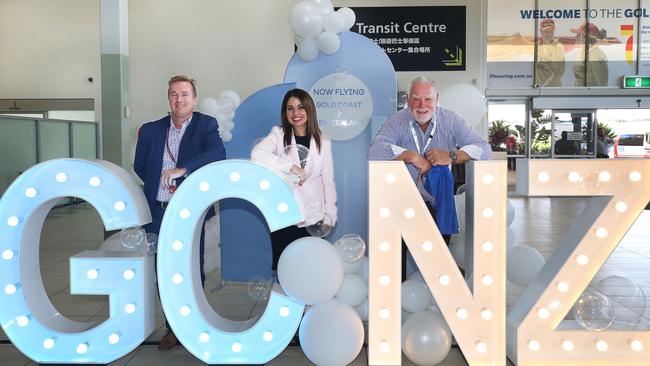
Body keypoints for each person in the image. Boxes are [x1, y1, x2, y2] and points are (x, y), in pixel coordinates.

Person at [134, 75, 226, 351]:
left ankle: (193, 323)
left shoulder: (206, 125)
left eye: (185, 94)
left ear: (194, 99)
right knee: (163, 269)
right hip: (158, 211)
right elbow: (140, 166)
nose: (179, 99)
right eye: (174, 94)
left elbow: (217, 153)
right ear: (168, 98)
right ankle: (172, 327)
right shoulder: (151, 129)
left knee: (190, 267)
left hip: (189, 211)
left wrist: (182, 170)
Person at [368, 76, 491, 278]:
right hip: (402, 202)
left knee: (439, 264)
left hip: (438, 203)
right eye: (416, 99)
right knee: (395, 265)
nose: (422, 105)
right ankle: (397, 304)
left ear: (437, 99)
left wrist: (450, 155)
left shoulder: (451, 120)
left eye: (428, 99)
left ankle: (439, 306)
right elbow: (374, 151)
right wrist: (412, 156)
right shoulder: (397, 121)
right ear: (408, 100)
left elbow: (484, 149)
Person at [251, 88, 337, 279]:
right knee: (285, 268)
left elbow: (328, 180)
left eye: (300, 107)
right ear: (285, 113)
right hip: (285, 213)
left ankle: (309, 309)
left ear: (309, 109)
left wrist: (330, 215)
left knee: (309, 269)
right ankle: (288, 308)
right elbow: (257, 154)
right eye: (290, 109)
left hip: (313, 216)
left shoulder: (323, 140)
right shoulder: (279, 134)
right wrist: (290, 166)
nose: (295, 113)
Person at [535, 19, 566, 87]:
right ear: (541, 31)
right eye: (546, 31)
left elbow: (559, 72)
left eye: (551, 31)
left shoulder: (558, 47)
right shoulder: (537, 45)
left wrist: (545, 87)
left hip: (552, 89)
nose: (549, 34)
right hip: (538, 88)